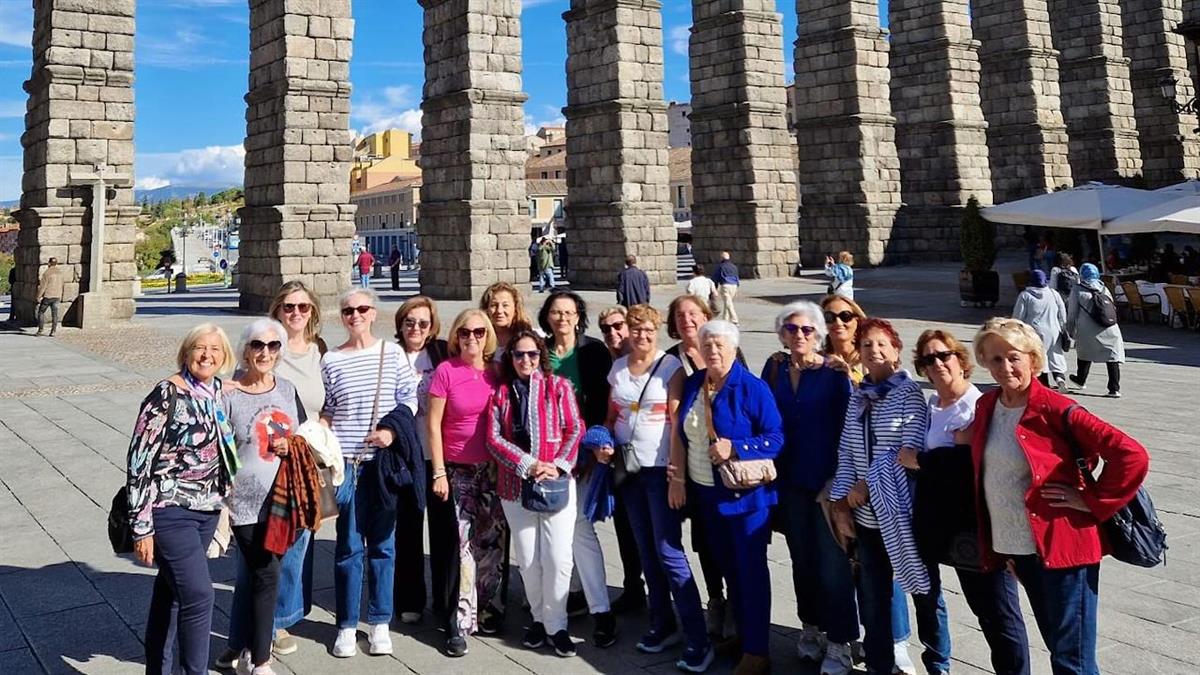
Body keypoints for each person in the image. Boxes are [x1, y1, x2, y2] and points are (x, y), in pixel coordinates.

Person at [971, 318, 1148, 675]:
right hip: (1021, 549)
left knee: (1072, 659)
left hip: (1064, 547)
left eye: (1014, 357)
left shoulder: (1055, 408)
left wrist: (1093, 501)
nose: (1005, 367)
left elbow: (1132, 454)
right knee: (1058, 644)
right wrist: (1004, 546)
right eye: (995, 359)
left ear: (1033, 360)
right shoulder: (987, 406)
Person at [900, 329, 1031, 675]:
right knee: (982, 611)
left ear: (961, 360)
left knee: (1000, 616)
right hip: (948, 530)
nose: (938, 363)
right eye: (929, 359)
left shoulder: (976, 405)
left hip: (980, 527)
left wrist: (924, 460)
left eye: (944, 355)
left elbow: (971, 465)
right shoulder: (932, 406)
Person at [828, 318, 951, 675]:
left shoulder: (909, 393)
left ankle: (938, 664)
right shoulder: (858, 395)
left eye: (882, 344)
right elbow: (847, 451)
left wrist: (864, 485)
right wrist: (840, 505)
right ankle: (880, 666)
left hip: (903, 516)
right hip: (867, 520)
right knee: (873, 597)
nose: (874, 351)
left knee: (925, 593)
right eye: (866, 345)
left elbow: (905, 449)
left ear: (896, 351)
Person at [671, 320, 783, 675]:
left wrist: (737, 446)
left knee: (750, 573)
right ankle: (745, 637)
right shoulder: (694, 383)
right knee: (730, 572)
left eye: (720, 345)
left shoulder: (752, 387)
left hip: (746, 500)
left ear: (734, 349)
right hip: (707, 496)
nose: (713, 351)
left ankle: (758, 652)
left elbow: (777, 437)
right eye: (707, 346)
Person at [605, 304, 713, 672]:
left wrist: (677, 476)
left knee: (669, 552)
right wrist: (603, 442)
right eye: (636, 330)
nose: (643, 336)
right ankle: (663, 624)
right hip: (629, 472)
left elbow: (677, 423)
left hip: (659, 472)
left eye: (649, 330)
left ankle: (698, 638)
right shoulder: (617, 369)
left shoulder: (669, 369)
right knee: (646, 551)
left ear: (657, 331)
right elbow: (611, 416)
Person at [126, 323, 238, 675]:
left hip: (207, 509)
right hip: (170, 509)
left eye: (215, 350)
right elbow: (139, 462)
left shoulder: (217, 391)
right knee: (200, 595)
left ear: (224, 356)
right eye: (199, 348)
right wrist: (141, 528)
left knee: (171, 593)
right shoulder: (165, 393)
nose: (207, 355)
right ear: (186, 353)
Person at [759, 302, 858, 675]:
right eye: (791, 329)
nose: (799, 335)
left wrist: (839, 483)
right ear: (781, 333)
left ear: (818, 335)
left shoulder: (834, 374)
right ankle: (811, 628)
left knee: (833, 565)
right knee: (801, 560)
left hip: (826, 484)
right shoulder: (774, 368)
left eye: (806, 330)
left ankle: (841, 641)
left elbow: (848, 432)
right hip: (788, 483)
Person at [321, 287, 419, 658]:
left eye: (362, 308)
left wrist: (391, 431)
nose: (355, 315)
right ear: (341, 317)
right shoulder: (331, 359)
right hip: (346, 465)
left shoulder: (391, 354)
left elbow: (409, 397)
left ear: (374, 313)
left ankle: (379, 621)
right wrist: (321, 431)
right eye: (348, 310)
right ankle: (346, 625)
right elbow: (330, 405)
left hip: (381, 464)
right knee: (347, 548)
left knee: (383, 545)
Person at [487, 330, 584, 657]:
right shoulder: (501, 393)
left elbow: (575, 427)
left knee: (558, 557)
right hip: (515, 486)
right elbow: (493, 438)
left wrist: (556, 465)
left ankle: (558, 625)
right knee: (529, 561)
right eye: (518, 355)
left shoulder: (559, 387)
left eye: (531, 354)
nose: (525, 360)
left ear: (540, 355)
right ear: (510, 358)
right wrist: (527, 464)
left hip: (555, 482)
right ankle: (540, 620)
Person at [219, 319, 305, 675]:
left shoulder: (286, 388)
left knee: (261, 575)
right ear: (245, 350)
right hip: (244, 503)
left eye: (272, 346)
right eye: (257, 345)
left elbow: (303, 436)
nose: (265, 353)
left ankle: (243, 650)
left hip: (283, 500)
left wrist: (293, 444)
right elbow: (217, 449)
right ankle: (259, 659)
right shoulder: (227, 393)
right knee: (263, 573)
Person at [538, 291, 619, 644]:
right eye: (556, 312)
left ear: (578, 316)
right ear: (547, 317)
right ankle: (570, 596)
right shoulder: (539, 353)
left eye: (569, 312)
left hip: (584, 456)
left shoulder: (593, 351)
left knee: (580, 528)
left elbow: (605, 401)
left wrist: (596, 446)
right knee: (558, 532)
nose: (562, 318)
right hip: (548, 459)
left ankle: (601, 608)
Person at [428, 308, 505, 657]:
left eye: (478, 332)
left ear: (486, 335)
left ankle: (487, 608)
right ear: (456, 336)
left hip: (491, 469)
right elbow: (433, 425)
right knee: (463, 547)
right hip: (457, 469)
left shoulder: (496, 372)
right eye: (464, 332)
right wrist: (439, 472)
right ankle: (458, 620)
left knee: (491, 543)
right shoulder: (446, 371)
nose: (471, 338)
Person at [663, 293, 740, 637]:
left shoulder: (727, 348)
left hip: (729, 470)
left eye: (693, 313)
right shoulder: (670, 361)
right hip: (695, 472)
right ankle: (716, 601)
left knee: (733, 542)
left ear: (707, 315)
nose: (687, 320)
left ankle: (738, 604)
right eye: (680, 315)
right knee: (705, 543)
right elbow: (672, 418)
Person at [258, 281, 327, 656]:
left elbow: (325, 400)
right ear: (277, 310)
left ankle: (282, 617)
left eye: (302, 307)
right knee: (273, 541)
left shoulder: (320, 351)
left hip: (308, 460)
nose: (296, 313)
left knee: (300, 540)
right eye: (288, 307)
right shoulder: (267, 346)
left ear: (312, 311)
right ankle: (268, 622)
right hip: (273, 459)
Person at [392, 296, 453, 625]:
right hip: (404, 456)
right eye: (410, 321)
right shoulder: (389, 355)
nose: (416, 327)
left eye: (423, 323)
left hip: (440, 454)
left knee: (445, 530)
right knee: (408, 528)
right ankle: (409, 598)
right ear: (400, 324)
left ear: (433, 327)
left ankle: (447, 601)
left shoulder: (442, 353)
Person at [1067, 263, 1125, 398]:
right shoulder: (1104, 288)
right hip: (1110, 327)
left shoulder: (1077, 289)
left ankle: (1081, 380)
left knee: (1084, 353)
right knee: (1112, 357)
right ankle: (1114, 388)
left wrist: (1070, 331)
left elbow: (1072, 314)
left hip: (1087, 329)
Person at [1014, 269, 1068, 391]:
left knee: (1039, 358)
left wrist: (1016, 330)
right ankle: (1060, 380)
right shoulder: (1054, 293)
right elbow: (1062, 313)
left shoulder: (1025, 296)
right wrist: (1062, 327)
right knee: (1055, 356)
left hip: (1034, 332)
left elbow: (1018, 317)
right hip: (1054, 331)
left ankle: (1044, 385)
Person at [480, 281, 534, 361]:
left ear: (515, 308)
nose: (499, 311)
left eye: (505, 305)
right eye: (494, 305)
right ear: (486, 309)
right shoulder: (479, 337)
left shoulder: (529, 337)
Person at [820, 294, 867, 383]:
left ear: (857, 321)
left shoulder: (870, 359)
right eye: (829, 317)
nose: (838, 323)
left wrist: (851, 378)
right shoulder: (818, 360)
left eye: (845, 316)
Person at [35, 257, 64, 337]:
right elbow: (62, 284)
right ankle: (53, 331)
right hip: (57, 296)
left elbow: (43, 286)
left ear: (49, 263)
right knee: (55, 314)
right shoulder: (60, 273)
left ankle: (40, 330)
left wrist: (38, 296)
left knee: (41, 312)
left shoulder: (47, 273)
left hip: (48, 296)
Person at [711, 251, 740, 324]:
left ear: (721, 258)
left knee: (728, 303)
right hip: (734, 285)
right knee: (728, 302)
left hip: (726, 285)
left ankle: (734, 319)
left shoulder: (721, 266)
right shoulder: (734, 266)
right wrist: (737, 286)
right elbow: (737, 277)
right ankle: (725, 320)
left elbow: (716, 277)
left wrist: (714, 288)